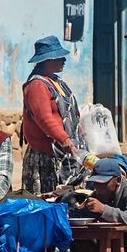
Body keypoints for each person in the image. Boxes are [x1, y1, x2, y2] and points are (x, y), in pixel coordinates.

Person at [21, 35, 86, 194]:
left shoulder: (57, 81)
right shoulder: (37, 85)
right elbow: (44, 118)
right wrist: (63, 138)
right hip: (47, 155)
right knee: (50, 196)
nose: (63, 60)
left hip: (65, 152)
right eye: (58, 57)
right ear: (47, 60)